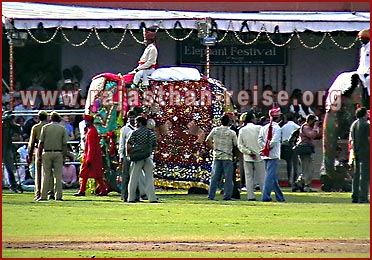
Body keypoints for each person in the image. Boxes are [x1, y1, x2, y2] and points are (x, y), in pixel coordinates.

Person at [37, 111, 69, 201]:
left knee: (46, 175)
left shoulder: (45, 128)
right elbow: (64, 144)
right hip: (58, 153)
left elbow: (41, 143)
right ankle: (58, 196)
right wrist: (64, 156)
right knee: (58, 176)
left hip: (46, 152)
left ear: (50, 118)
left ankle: (43, 196)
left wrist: (39, 155)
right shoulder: (62, 129)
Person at [74, 114, 108, 196]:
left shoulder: (91, 131)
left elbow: (91, 146)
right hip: (93, 156)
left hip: (91, 156)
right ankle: (102, 190)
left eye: (86, 121)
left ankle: (83, 190)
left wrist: (89, 158)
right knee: (96, 175)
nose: (85, 123)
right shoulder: (91, 130)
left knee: (86, 174)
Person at [205, 114, 238, 201]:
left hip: (217, 156)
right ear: (229, 122)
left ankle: (211, 195)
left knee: (214, 177)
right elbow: (236, 145)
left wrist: (214, 148)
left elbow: (207, 140)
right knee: (228, 178)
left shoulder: (215, 130)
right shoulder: (232, 133)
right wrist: (236, 156)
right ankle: (227, 196)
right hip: (227, 156)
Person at [126, 116, 158, 203]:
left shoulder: (135, 132)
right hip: (147, 157)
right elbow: (155, 145)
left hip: (137, 158)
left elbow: (129, 144)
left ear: (139, 123)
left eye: (136, 122)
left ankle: (131, 198)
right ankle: (152, 198)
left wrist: (129, 155)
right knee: (149, 178)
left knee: (133, 178)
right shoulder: (150, 133)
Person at [258, 106, 285, 202]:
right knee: (270, 177)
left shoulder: (264, 127)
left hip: (265, 154)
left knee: (271, 176)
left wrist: (265, 147)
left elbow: (260, 139)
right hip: (273, 154)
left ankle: (280, 197)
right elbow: (275, 140)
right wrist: (268, 147)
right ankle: (266, 196)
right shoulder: (277, 128)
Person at [117, 110, 145, 202]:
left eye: (133, 117)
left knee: (136, 175)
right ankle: (124, 196)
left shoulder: (139, 129)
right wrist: (121, 155)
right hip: (127, 154)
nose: (132, 119)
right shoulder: (125, 129)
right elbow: (121, 143)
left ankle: (136, 196)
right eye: (130, 118)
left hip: (137, 154)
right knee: (126, 176)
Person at [237, 111, 265, 201]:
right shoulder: (259, 128)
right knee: (261, 177)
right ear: (252, 119)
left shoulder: (242, 130)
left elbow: (240, 145)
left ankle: (250, 196)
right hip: (259, 155)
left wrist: (248, 152)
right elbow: (263, 141)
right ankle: (264, 195)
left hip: (247, 156)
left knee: (249, 177)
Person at [27, 110, 50, 200]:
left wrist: (29, 154)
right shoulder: (49, 127)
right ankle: (50, 192)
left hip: (39, 150)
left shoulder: (35, 127)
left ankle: (38, 193)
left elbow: (31, 142)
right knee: (49, 174)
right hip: (49, 150)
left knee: (38, 174)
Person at [349, 107, 370, 203]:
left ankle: (355, 196)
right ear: (364, 114)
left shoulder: (354, 124)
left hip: (356, 151)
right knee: (364, 175)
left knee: (356, 175)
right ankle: (363, 197)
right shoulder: (366, 125)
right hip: (365, 151)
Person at [296, 114, 320, 192]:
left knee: (309, 168)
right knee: (307, 169)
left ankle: (299, 183)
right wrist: (315, 126)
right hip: (304, 149)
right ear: (309, 120)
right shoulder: (305, 127)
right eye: (314, 121)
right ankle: (304, 185)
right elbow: (312, 135)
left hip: (307, 150)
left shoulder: (309, 127)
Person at [2, 111, 23, 193]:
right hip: (5, 147)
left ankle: (13, 185)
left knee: (10, 167)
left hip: (7, 148)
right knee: (9, 167)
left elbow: (19, 130)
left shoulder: (11, 126)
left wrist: (11, 123)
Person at [280, 112, 300, 188]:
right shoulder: (296, 127)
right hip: (292, 145)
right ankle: (293, 180)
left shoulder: (283, 127)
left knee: (289, 164)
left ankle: (289, 180)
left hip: (284, 146)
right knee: (294, 164)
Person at [356, 29, 370, 98]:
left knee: (368, 80)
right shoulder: (362, 48)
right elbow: (361, 60)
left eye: (362, 38)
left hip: (369, 72)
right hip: (362, 71)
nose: (361, 40)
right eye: (360, 38)